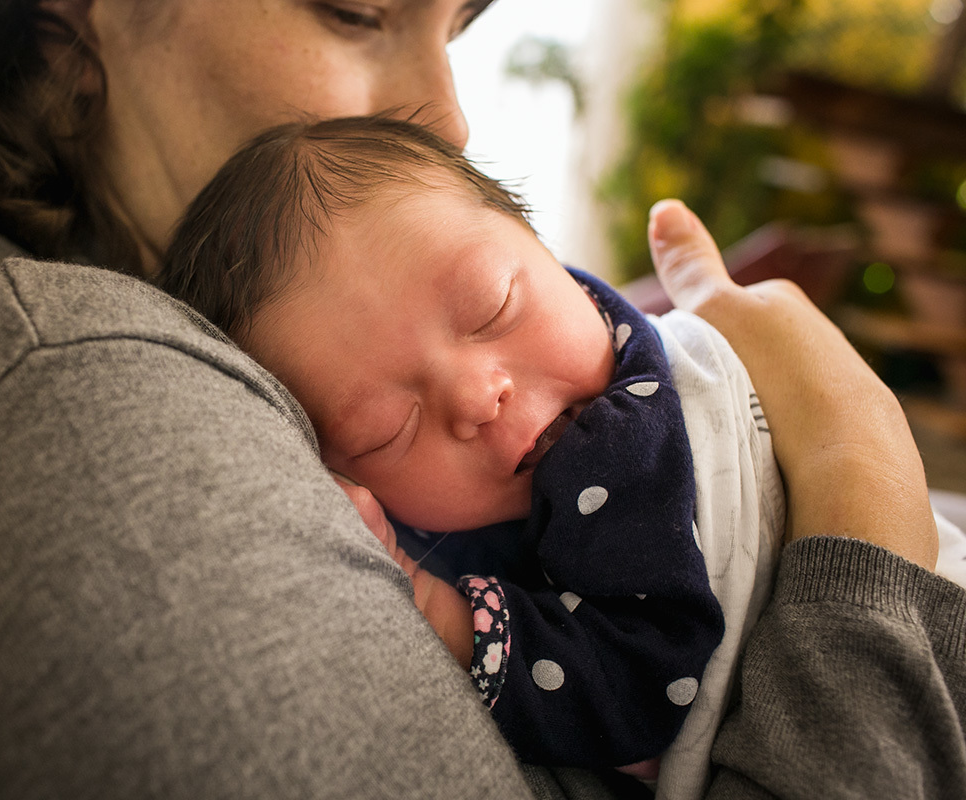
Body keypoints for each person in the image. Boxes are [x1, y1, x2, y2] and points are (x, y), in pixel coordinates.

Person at [0, 0, 964, 797]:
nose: (450, 116)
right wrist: (860, 468)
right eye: (356, 9)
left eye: (456, 25)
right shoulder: (86, 413)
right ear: (73, 17)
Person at [155, 115, 785, 792]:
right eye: (387, 428)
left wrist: (435, 607)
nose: (478, 396)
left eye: (494, 307)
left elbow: (637, 683)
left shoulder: (625, 441)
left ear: (545, 247)